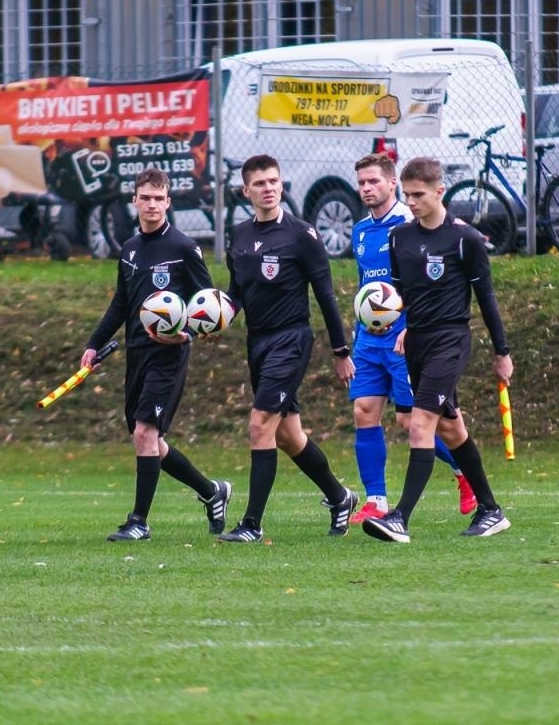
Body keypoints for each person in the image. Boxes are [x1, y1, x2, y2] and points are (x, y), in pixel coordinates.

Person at [362, 157, 514, 543]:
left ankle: (399, 518)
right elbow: (401, 294)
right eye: (407, 195)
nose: (411, 202)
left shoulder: (465, 239)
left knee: (420, 424)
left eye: (418, 195)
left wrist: (502, 352)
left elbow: (486, 299)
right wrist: (396, 323)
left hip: (450, 342)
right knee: (452, 428)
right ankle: (491, 510)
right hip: (416, 343)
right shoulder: (400, 238)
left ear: (439, 191)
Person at [83, 168, 232, 541]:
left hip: (169, 355)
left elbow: (208, 306)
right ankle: (212, 492)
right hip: (137, 353)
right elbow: (121, 302)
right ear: (134, 201)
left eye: (158, 198)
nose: (151, 204)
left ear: (168, 202)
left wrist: (185, 334)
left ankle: (139, 522)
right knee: (149, 439)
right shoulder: (130, 248)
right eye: (145, 198)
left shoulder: (183, 248)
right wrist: (94, 343)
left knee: (145, 433)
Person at [218, 154, 356, 543]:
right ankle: (340, 497)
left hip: (291, 339)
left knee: (260, 424)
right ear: (246, 190)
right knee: (288, 435)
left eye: (273, 181)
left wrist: (341, 351)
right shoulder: (239, 236)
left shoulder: (302, 235)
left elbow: (326, 296)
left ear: (281, 185)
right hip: (257, 342)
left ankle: (251, 524)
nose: (268, 188)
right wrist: (213, 320)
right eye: (259, 183)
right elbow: (235, 294)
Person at [347, 154, 477, 527]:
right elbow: (367, 287)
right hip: (369, 337)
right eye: (362, 183)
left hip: (406, 336)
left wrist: (410, 324)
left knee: (410, 421)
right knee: (364, 411)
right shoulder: (360, 230)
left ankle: (464, 473)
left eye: (374, 181)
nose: (367, 188)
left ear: (392, 184)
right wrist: (362, 323)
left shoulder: (411, 223)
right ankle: (376, 501)